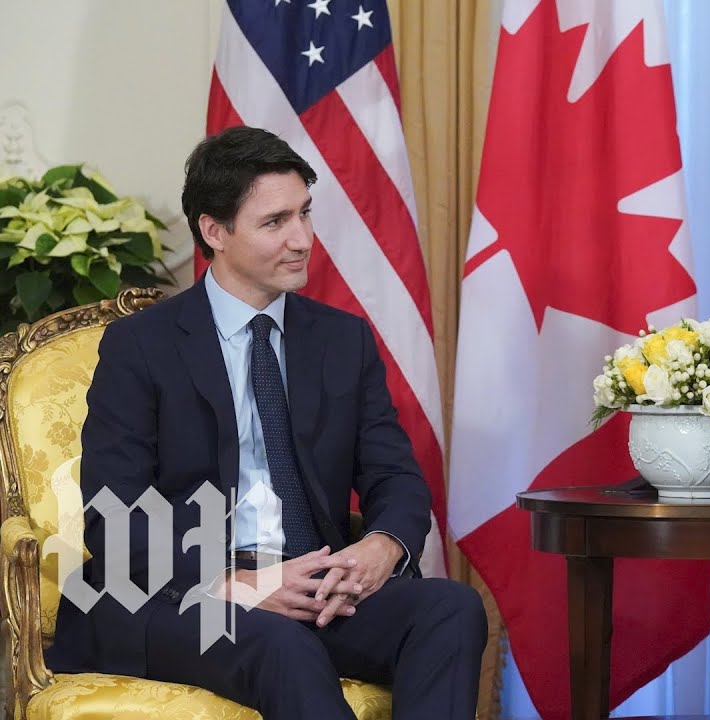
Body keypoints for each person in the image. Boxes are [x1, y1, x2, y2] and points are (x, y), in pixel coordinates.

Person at [45, 126, 487, 719]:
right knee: (281, 644)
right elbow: (116, 517)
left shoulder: (341, 340)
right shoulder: (140, 346)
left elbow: (396, 476)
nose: (302, 239)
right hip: (185, 596)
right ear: (215, 231)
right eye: (275, 222)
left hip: (316, 587)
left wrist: (382, 547)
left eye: (304, 213)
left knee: (451, 609)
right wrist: (246, 586)